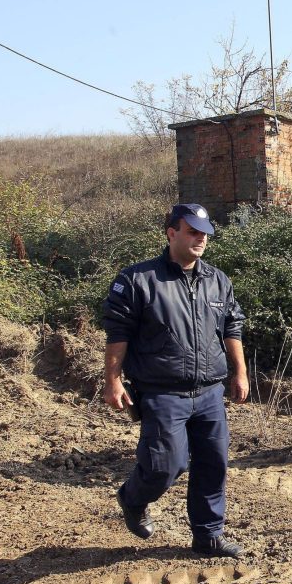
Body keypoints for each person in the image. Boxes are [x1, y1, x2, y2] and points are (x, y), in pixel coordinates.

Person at [103, 203, 248, 558]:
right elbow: (118, 332)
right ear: (171, 233)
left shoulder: (217, 279)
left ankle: (208, 535)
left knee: (213, 464)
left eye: (205, 234)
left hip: (210, 391)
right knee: (165, 465)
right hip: (162, 390)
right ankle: (132, 498)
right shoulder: (138, 279)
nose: (200, 240)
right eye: (192, 232)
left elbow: (232, 325)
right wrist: (112, 379)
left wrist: (240, 371)